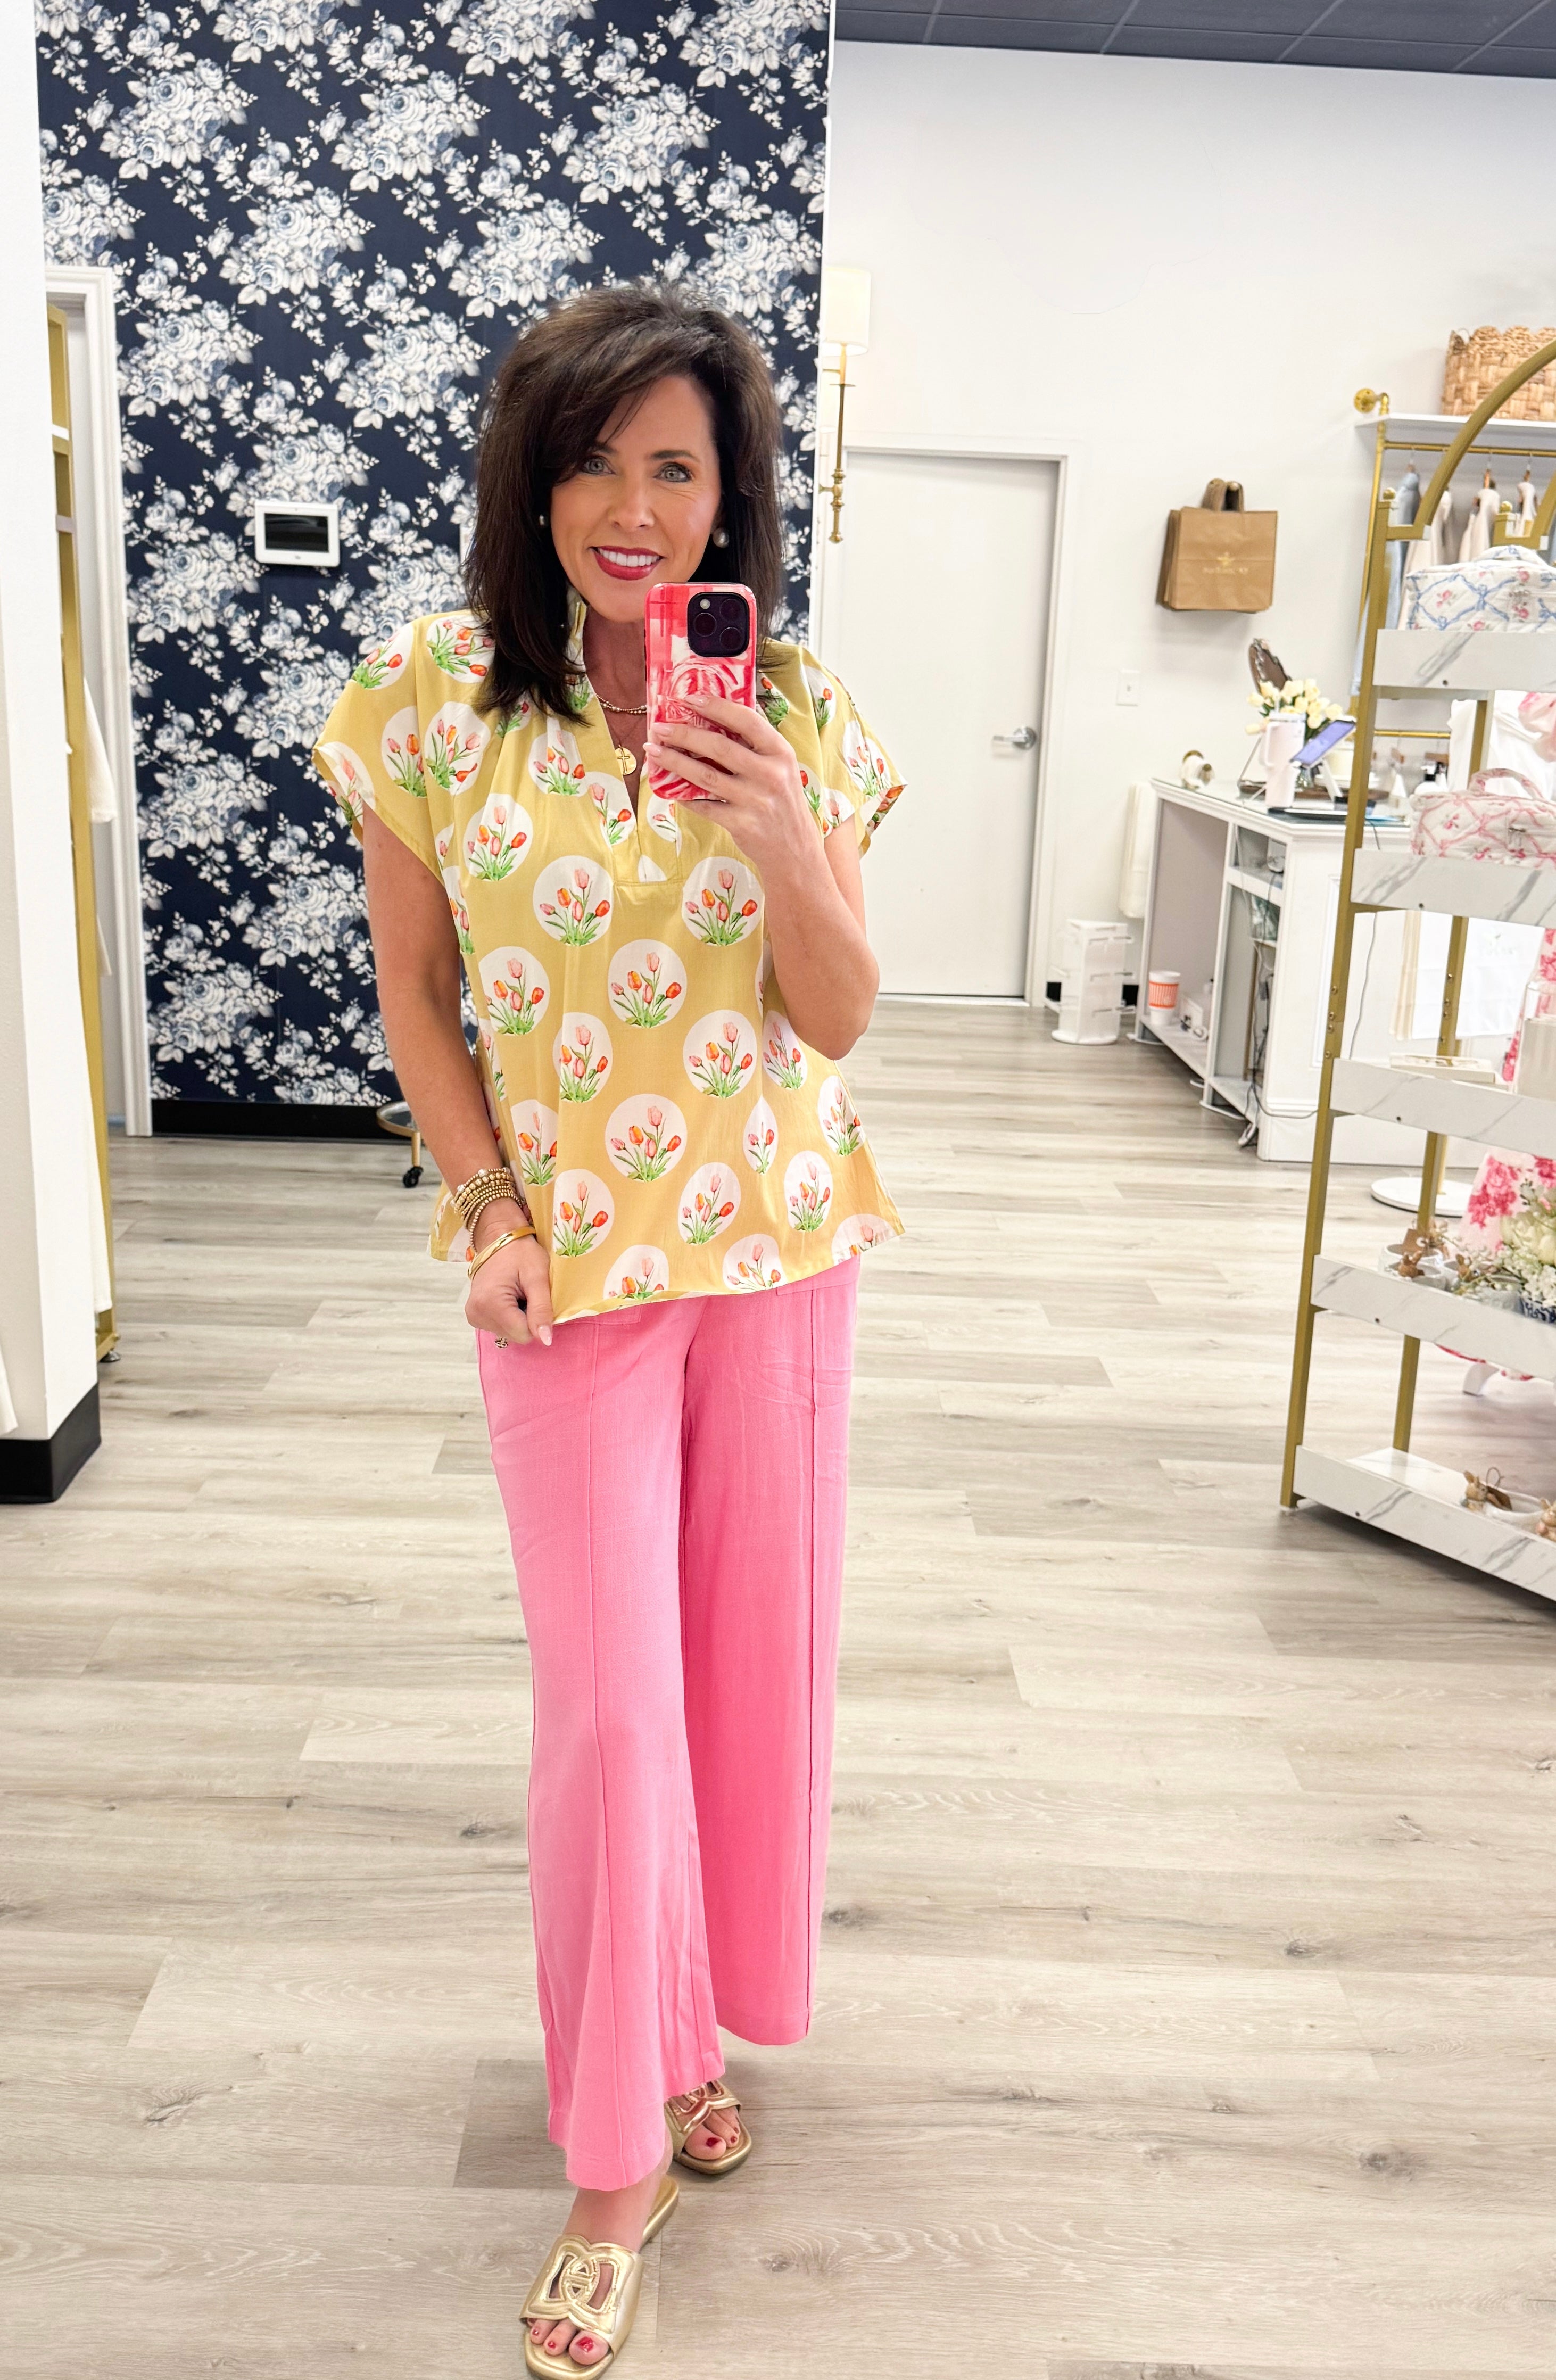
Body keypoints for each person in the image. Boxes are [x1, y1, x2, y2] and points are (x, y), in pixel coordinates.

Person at [314, 281, 904, 2376]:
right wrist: (482, 1208)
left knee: (740, 1680)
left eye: (676, 465)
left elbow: (835, 1015)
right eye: (592, 459)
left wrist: (774, 829)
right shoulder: (428, 695)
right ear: (531, 475)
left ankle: (687, 2029)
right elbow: (416, 990)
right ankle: (609, 2160)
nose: (632, 506)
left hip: (774, 1252)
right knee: (603, 1713)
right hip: (561, 1271)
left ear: (732, 495)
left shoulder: (797, 706)